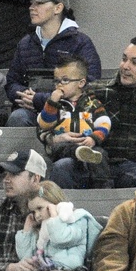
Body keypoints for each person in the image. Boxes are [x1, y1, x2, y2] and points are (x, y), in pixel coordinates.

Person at [52, 37, 136, 189]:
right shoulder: (95, 91)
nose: (125, 66)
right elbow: (60, 97)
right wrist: (55, 138)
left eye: (135, 62)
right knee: (63, 167)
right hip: (96, 163)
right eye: (124, 59)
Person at [6, 0, 102, 128]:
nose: (32, 7)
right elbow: (12, 82)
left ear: (58, 8)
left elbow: (90, 83)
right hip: (29, 111)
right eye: (31, 3)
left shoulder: (80, 42)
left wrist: (40, 99)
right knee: (18, 118)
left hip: (69, 112)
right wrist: (24, 95)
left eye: (39, 3)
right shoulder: (25, 43)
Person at [37, 56, 112, 188]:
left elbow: (104, 123)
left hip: (88, 144)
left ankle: (103, 188)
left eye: (65, 80)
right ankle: (79, 152)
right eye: (56, 81)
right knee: (61, 148)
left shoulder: (92, 103)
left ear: (81, 83)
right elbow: (43, 125)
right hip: (63, 145)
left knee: (101, 154)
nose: (59, 85)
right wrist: (52, 102)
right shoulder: (54, 105)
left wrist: (94, 139)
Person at [14, 181, 103, 271]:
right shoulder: (41, 228)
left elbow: (61, 239)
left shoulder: (77, 219)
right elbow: (24, 257)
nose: (37, 216)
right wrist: (26, 229)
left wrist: (54, 217)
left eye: (40, 208)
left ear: (54, 202)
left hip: (68, 270)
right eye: (33, 212)